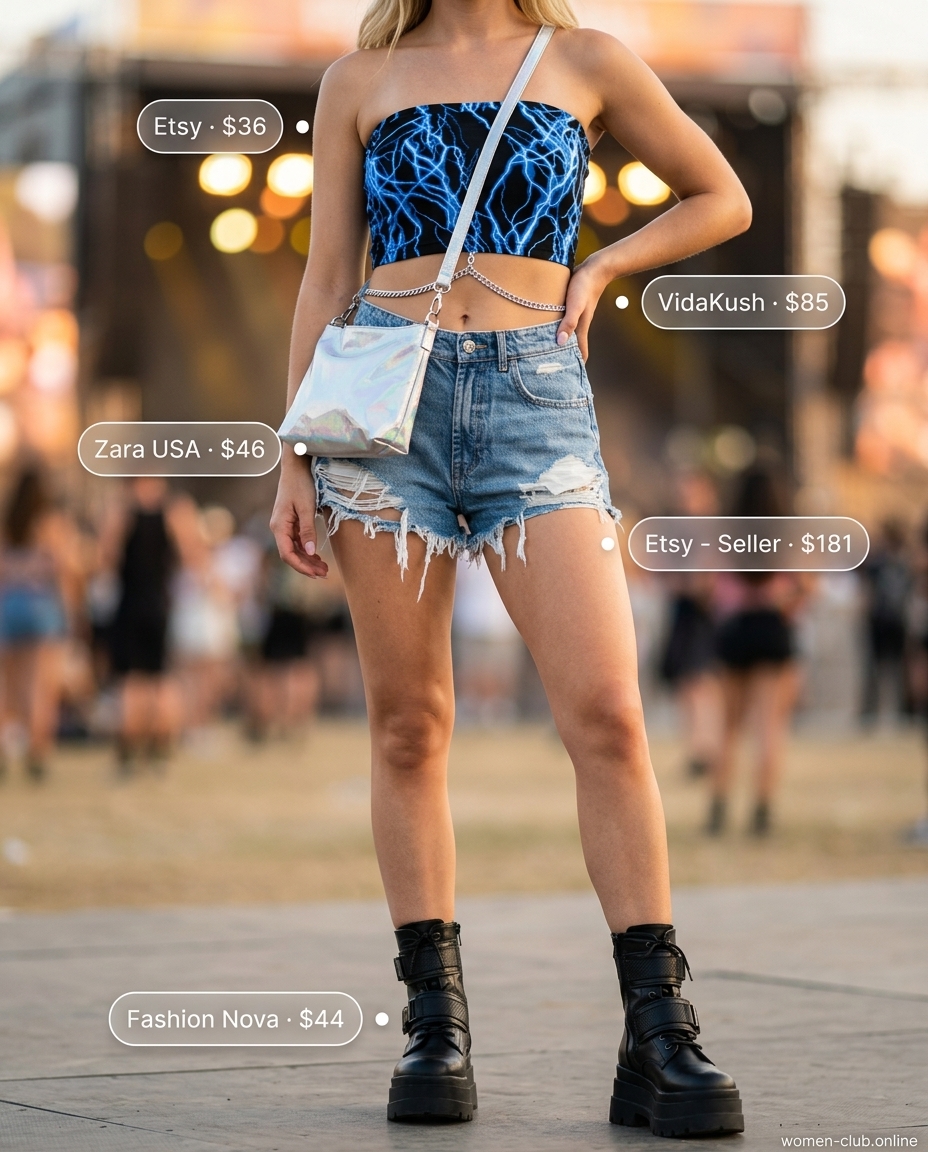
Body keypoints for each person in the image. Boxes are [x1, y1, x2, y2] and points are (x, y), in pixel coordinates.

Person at [271, 0, 751, 1135]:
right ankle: (433, 1028)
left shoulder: (585, 60)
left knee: (608, 716)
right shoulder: (358, 80)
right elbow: (325, 277)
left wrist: (606, 265)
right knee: (409, 725)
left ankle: (659, 1035)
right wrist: (291, 457)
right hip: (381, 409)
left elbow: (722, 195)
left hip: (537, 400)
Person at [707, 469, 805, 836]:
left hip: (735, 630)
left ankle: (718, 808)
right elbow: (806, 587)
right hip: (773, 629)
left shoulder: (726, 532)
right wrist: (780, 600)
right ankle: (762, 810)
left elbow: (708, 586)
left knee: (727, 728)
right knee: (769, 727)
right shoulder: (788, 534)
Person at [0, 468, 82, 781]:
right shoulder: (51, 522)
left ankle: (5, 744)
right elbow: (65, 569)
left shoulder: (8, 522)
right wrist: (71, 612)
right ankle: (37, 750)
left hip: (9, 604)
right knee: (40, 685)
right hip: (41, 605)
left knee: (9, 685)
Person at [101, 478, 182, 773]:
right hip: (160, 605)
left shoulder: (121, 511)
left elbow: (105, 559)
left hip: (130, 605)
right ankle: (160, 752)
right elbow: (192, 555)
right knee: (161, 680)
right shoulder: (175, 510)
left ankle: (127, 754)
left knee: (131, 681)